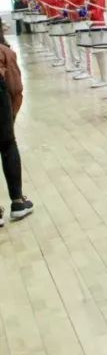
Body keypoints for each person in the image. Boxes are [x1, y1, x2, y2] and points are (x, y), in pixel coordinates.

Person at [0, 24, 32, 226]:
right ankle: (18, 202)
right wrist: (9, 119)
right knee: (8, 145)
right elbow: (15, 88)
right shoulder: (5, 52)